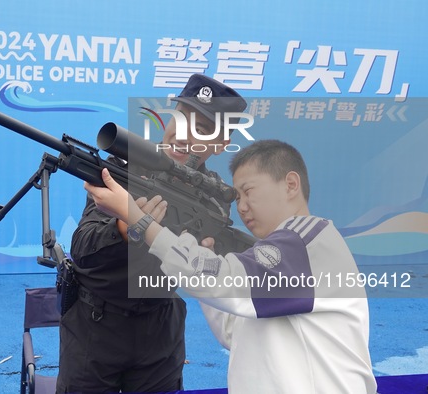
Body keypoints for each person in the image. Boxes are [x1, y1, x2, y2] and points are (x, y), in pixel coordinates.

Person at [84, 140, 377, 393]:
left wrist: (140, 221)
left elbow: (225, 283)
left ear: (290, 184)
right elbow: (235, 330)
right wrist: (199, 254)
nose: (242, 207)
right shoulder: (293, 247)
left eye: (249, 191)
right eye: (238, 197)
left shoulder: (304, 241)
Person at [56, 74, 247, 393]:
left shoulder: (213, 199)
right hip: (95, 325)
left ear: (221, 144)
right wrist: (124, 225)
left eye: (202, 130)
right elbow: (83, 247)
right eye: (182, 119)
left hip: (160, 333)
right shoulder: (123, 167)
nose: (184, 136)